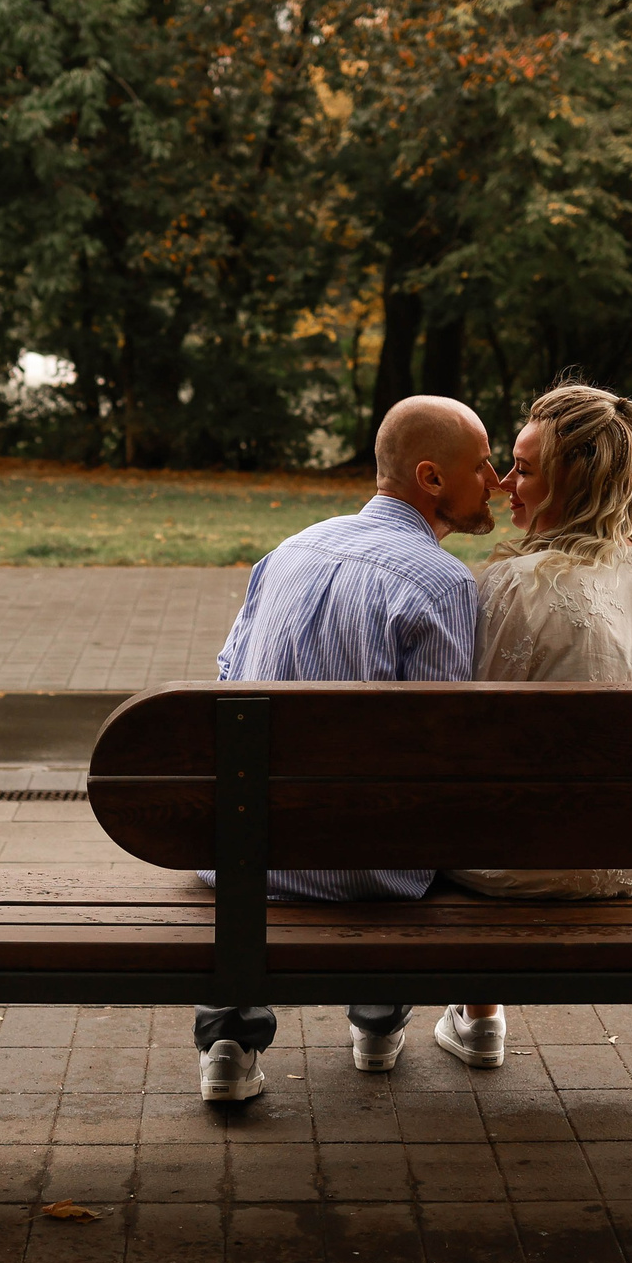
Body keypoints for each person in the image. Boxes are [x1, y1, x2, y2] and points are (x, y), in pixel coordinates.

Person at [195, 394, 499, 1103]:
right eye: (482, 464)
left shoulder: (290, 548)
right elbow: (438, 754)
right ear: (431, 478)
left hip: (242, 860)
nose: (494, 480)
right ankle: (378, 1019)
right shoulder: (444, 583)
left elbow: (226, 678)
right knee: (418, 820)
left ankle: (229, 1044)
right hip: (368, 877)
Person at [431, 382, 632, 1065]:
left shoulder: (509, 587)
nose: (506, 482)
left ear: (579, 485)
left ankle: (481, 1015)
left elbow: (468, 749)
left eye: (526, 468)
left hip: (523, 869)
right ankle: (476, 1017)